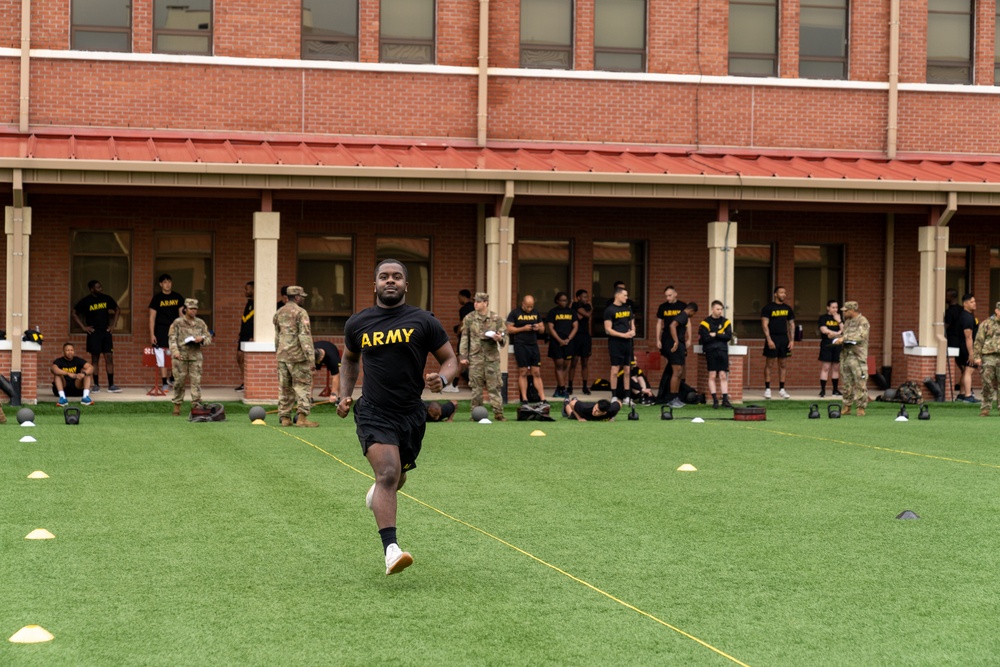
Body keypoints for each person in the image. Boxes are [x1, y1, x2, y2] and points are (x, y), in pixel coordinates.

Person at [337, 259, 458, 576]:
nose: (390, 281)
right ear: (374, 284)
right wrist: (344, 394)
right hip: (374, 411)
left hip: (411, 414)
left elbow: (450, 360)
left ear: (406, 284)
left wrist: (442, 381)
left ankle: (378, 492)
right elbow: (349, 361)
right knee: (389, 473)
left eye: (397, 277)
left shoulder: (423, 321)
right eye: (383, 276)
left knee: (397, 476)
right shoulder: (358, 323)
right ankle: (391, 549)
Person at [459, 291, 507, 421]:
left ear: (486, 303)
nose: (475, 304)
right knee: (476, 388)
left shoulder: (496, 318)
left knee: (494, 387)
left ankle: (498, 413)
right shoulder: (469, 318)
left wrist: (499, 338)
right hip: (475, 358)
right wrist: (463, 356)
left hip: (492, 359)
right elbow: (464, 338)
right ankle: (476, 414)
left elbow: (504, 336)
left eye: (479, 301)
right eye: (475, 301)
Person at [274, 285, 318, 427]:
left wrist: (278, 352)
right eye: (302, 297)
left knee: (284, 387)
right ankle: (302, 418)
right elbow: (304, 336)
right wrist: (311, 358)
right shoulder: (301, 312)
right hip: (298, 357)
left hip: (282, 355)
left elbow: (277, 336)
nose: (303, 299)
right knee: (302, 386)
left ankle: (285, 418)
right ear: (297, 297)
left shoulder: (279, 312)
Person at [72, 280, 121, 393]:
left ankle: (111, 385)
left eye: (100, 287)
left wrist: (113, 325)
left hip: (106, 332)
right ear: (91, 289)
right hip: (94, 333)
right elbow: (74, 312)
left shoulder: (106, 298)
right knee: (95, 359)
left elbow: (117, 309)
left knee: (109, 357)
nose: (100, 289)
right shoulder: (86, 301)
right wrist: (83, 327)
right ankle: (96, 385)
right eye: (98, 287)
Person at [168, 298, 212, 416]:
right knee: (179, 382)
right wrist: (175, 352)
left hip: (195, 356)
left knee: (196, 382)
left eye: (195, 309)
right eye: (191, 309)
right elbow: (172, 339)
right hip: (180, 356)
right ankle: (177, 406)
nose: (193, 311)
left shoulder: (201, 323)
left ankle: (196, 406)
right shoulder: (177, 322)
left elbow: (208, 338)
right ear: (185, 309)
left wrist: (201, 339)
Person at [831, 300, 870, 416]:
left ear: (852, 310)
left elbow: (861, 336)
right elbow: (845, 336)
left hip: (858, 357)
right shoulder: (847, 322)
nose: (844, 313)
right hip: (846, 356)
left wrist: (844, 338)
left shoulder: (862, 321)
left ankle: (861, 408)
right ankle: (847, 406)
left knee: (860, 383)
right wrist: (837, 337)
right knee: (847, 383)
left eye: (846, 311)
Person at [506, 294, 547, 404]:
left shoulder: (536, 313)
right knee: (523, 371)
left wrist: (539, 328)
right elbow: (509, 329)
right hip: (520, 345)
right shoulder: (515, 313)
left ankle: (543, 398)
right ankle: (524, 398)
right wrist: (523, 328)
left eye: (531, 306)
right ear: (522, 304)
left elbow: (543, 329)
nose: (529, 309)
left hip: (533, 344)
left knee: (536, 372)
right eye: (527, 306)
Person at [149, 274, 185, 392]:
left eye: (169, 282)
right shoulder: (157, 299)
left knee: (177, 354)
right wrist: (152, 334)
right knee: (162, 355)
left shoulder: (178, 297)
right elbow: (152, 317)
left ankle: (172, 377)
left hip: (175, 329)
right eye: (164, 282)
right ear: (161, 284)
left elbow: (182, 314)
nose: (167, 284)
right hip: (161, 330)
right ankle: (164, 382)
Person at [761, 286, 795, 399]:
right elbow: (764, 324)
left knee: (783, 364)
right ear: (775, 294)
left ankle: (782, 389)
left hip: (784, 338)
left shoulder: (788, 308)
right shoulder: (768, 308)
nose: (784, 294)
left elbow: (791, 324)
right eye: (781, 292)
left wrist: (792, 340)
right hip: (773, 337)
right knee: (769, 364)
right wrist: (769, 339)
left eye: (785, 293)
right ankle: (767, 389)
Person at [655, 286, 687, 403]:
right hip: (667, 339)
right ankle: (669, 395)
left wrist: (689, 339)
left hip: (680, 338)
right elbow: (659, 324)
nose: (668, 298)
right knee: (672, 367)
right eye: (666, 296)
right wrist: (657, 339)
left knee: (679, 368)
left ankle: (676, 395)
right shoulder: (662, 307)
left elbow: (688, 323)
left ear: (675, 294)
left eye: (670, 295)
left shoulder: (682, 306)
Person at [603, 286, 635, 404]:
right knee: (615, 369)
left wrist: (633, 332)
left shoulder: (628, 308)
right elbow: (608, 330)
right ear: (617, 295)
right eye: (625, 295)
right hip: (615, 343)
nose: (627, 297)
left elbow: (632, 323)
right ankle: (614, 396)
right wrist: (623, 335)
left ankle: (627, 397)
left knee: (627, 369)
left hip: (628, 343)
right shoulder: (609, 310)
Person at [699, 300, 733, 409]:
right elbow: (705, 338)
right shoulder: (705, 322)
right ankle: (714, 400)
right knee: (712, 375)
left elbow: (728, 336)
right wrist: (719, 335)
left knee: (723, 375)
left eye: (721, 309)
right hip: (711, 351)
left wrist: (715, 334)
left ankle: (725, 400)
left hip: (722, 350)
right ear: (712, 309)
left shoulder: (726, 322)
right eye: (718, 309)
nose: (720, 311)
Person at [666, 302, 699, 408]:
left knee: (680, 372)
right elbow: (672, 325)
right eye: (693, 314)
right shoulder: (683, 316)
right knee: (676, 372)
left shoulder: (683, 316)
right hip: (676, 345)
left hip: (681, 346)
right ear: (691, 311)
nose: (692, 316)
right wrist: (675, 341)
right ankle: (671, 399)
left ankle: (676, 397)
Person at [546, 291, 578, 398]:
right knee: (559, 365)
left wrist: (568, 339)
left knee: (565, 365)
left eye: (566, 300)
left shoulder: (571, 312)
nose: (565, 302)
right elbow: (550, 327)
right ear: (557, 301)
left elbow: (575, 326)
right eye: (562, 300)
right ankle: (563, 389)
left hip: (569, 342)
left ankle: (559, 388)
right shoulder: (553, 312)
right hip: (556, 342)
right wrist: (559, 340)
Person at [973, 301, 1000, 417]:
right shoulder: (986, 324)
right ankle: (985, 408)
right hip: (989, 356)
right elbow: (978, 342)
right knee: (987, 383)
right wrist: (977, 357)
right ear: (997, 311)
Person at [446, 289, 475, 392]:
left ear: (463, 297)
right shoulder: (474, 307)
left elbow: (463, 323)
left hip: (465, 338)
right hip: (474, 338)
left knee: (460, 360)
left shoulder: (464, 309)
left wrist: (458, 331)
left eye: (459, 298)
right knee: (469, 361)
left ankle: (454, 385)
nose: (459, 300)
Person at [568, 289, 593, 394]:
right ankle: (570, 386)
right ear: (578, 297)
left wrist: (587, 311)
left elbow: (581, 316)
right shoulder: (574, 304)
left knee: (585, 362)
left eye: (587, 297)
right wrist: (591, 309)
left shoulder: (586, 306)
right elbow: (585, 315)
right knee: (574, 361)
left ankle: (585, 386)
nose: (586, 299)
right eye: (583, 297)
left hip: (586, 336)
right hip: (576, 336)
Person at [955, 293, 979, 403]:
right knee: (969, 370)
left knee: (965, 371)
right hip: (966, 348)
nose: (974, 304)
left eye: (974, 301)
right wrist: (971, 353)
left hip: (962, 347)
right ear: (965, 304)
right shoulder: (966, 317)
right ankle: (968, 396)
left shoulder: (967, 315)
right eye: (971, 302)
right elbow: (968, 337)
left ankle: (961, 394)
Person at [818, 299, 842, 397]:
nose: (835, 309)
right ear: (828, 307)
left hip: (837, 344)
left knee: (836, 367)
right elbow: (824, 330)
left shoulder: (839, 318)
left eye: (836, 307)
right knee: (826, 367)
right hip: (827, 344)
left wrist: (839, 321)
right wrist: (838, 333)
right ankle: (823, 390)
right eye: (833, 307)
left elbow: (844, 330)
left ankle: (835, 390)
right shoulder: (823, 318)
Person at [236, 281, 254, 391]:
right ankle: (244, 382)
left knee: (244, 358)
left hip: (251, 336)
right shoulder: (249, 303)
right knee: (239, 358)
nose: (245, 291)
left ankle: (248, 383)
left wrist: (254, 336)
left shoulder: (258, 303)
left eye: (246, 289)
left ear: (253, 290)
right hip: (243, 335)